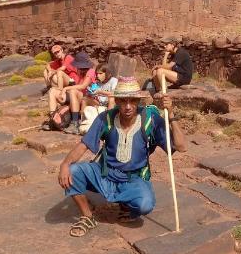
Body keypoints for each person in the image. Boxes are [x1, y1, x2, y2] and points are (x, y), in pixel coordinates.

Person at [58, 76, 186, 237]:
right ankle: (87, 216)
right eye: (123, 101)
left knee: (145, 205)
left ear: (138, 101)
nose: (127, 106)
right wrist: (65, 164)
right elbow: (83, 145)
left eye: (132, 101)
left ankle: (126, 205)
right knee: (72, 171)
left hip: (134, 178)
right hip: (106, 174)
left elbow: (181, 147)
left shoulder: (150, 119)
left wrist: (171, 114)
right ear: (116, 101)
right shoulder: (106, 118)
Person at [63, 52, 99, 134]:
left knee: (72, 91)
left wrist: (66, 88)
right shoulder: (81, 72)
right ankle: (72, 121)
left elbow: (83, 86)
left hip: (90, 98)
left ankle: (75, 122)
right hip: (83, 96)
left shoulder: (91, 71)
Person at [79, 65, 118, 133]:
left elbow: (114, 93)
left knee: (111, 98)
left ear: (107, 73)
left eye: (100, 73)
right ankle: (83, 122)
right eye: (97, 74)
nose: (98, 76)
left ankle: (107, 124)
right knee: (85, 99)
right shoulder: (98, 82)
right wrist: (90, 93)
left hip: (109, 104)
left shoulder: (113, 80)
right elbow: (95, 95)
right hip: (99, 103)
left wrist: (100, 91)